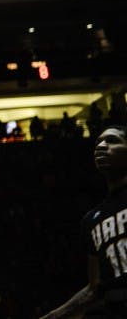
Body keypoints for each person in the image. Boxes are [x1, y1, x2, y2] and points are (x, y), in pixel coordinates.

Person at [39, 125, 127, 318]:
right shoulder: (91, 220)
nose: (101, 146)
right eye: (98, 143)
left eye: (112, 141)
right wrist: (54, 316)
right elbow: (94, 289)